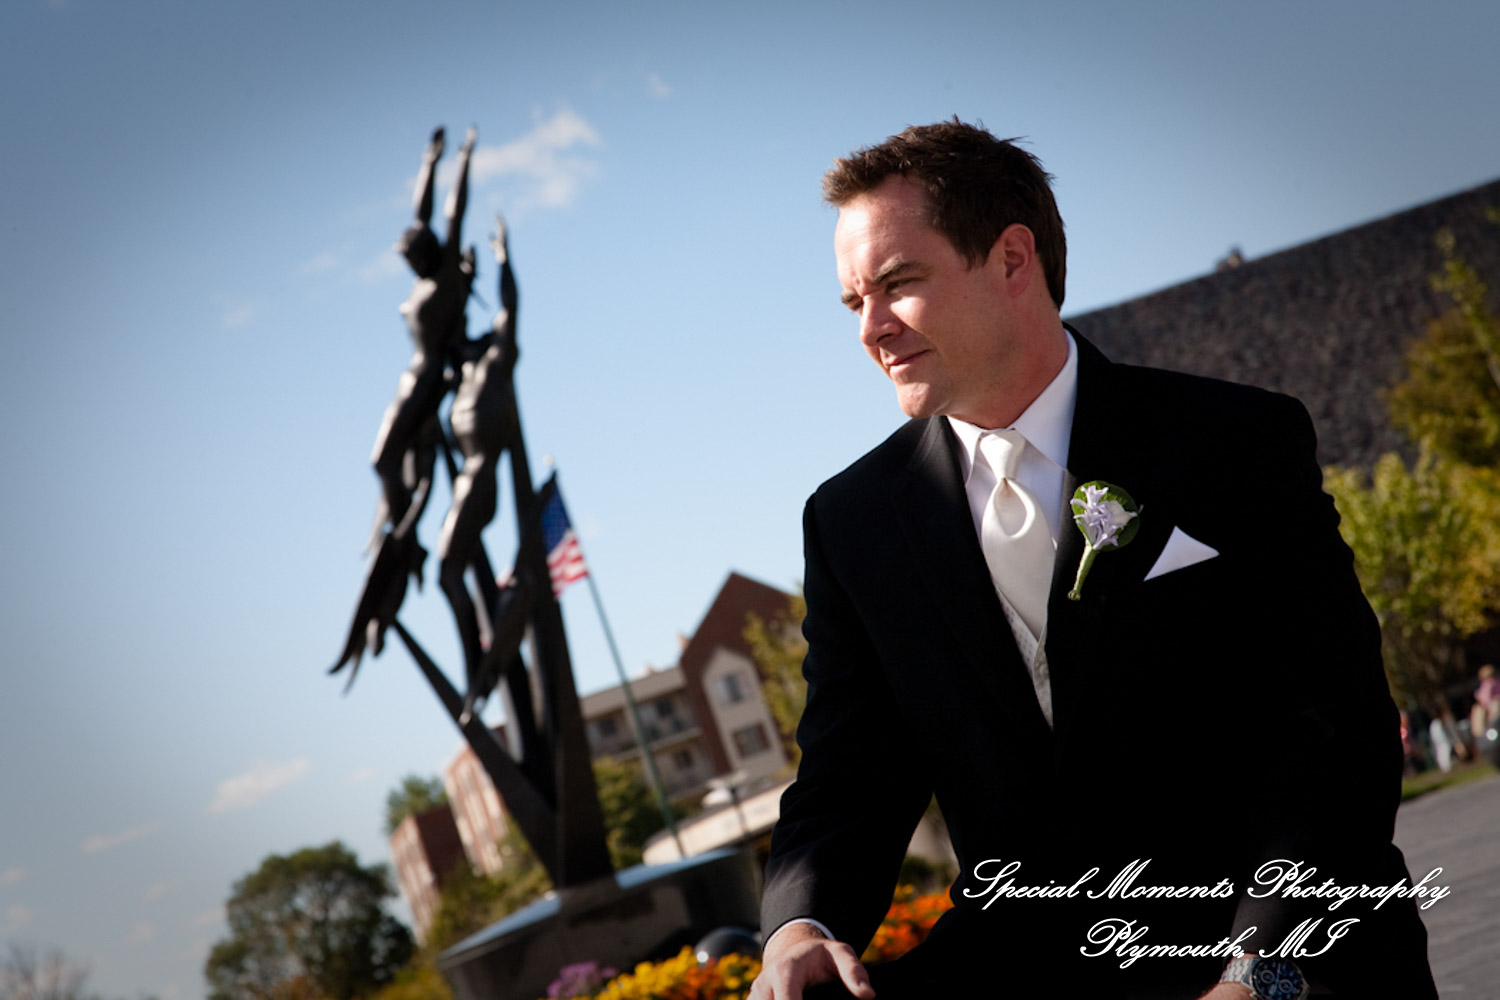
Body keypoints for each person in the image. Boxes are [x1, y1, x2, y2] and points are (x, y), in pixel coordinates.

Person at [753, 121, 1436, 999]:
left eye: (897, 284)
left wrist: (1260, 969)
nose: (872, 331)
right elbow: (848, 775)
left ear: (1011, 260)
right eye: (855, 303)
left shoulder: (1235, 442)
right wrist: (798, 928)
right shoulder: (851, 523)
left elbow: (1333, 727)